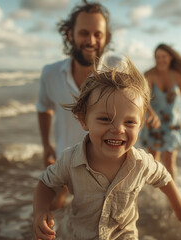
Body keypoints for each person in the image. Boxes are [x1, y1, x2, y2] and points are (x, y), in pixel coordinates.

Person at [33, 58, 181, 240]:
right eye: (105, 119)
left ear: (140, 125)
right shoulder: (70, 159)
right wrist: (41, 211)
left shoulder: (141, 163)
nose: (118, 129)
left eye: (129, 122)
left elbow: (163, 178)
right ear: (83, 120)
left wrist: (179, 207)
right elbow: (47, 184)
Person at [36, 1, 113, 209]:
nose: (91, 40)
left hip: (107, 172)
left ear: (106, 38)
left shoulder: (117, 73)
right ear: (70, 34)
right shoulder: (50, 74)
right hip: (65, 166)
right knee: (54, 217)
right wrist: (46, 145)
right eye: (84, 33)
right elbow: (44, 107)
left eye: (98, 34)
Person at [140, 43, 181, 180]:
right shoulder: (149, 74)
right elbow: (144, 99)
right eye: (157, 57)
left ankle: (170, 197)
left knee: (170, 163)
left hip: (172, 124)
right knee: (153, 162)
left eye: (163, 56)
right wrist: (152, 114)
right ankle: (153, 193)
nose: (160, 60)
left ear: (170, 58)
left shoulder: (177, 75)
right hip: (154, 123)